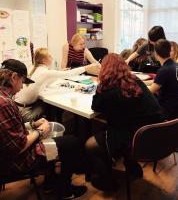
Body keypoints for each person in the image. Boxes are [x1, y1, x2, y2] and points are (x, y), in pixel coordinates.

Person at [0, 59, 87, 200]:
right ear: (14, 77)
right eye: (22, 81)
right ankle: (64, 190)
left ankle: (50, 183)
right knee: (72, 142)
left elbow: (11, 129)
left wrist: (33, 125)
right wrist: (39, 131)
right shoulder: (4, 104)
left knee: (55, 140)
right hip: (16, 161)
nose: (22, 87)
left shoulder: (4, 98)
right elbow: (19, 146)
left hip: (8, 153)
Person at [85, 53, 164, 191]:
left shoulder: (109, 89)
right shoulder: (135, 80)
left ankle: (107, 181)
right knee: (123, 124)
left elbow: (95, 106)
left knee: (89, 145)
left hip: (135, 138)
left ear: (104, 69)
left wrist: (100, 85)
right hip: (154, 134)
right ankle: (133, 168)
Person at [15, 47, 96, 122]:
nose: (52, 58)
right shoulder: (44, 72)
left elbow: (46, 81)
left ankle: (56, 121)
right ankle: (56, 124)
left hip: (17, 107)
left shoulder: (33, 67)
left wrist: (61, 72)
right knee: (51, 105)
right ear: (43, 60)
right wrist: (87, 67)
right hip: (25, 113)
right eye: (50, 56)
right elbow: (69, 74)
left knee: (48, 103)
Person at [149, 39, 178, 120]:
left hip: (167, 111)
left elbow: (150, 91)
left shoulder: (164, 70)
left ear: (156, 53)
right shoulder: (176, 65)